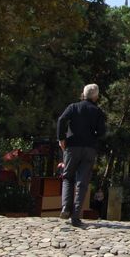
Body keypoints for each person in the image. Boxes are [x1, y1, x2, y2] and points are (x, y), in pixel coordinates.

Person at [57, 83, 106, 227]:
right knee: (82, 182)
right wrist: (94, 137)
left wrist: (61, 138)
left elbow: (61, 120)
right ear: (96, 97)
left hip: (72, 147)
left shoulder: (73, 107)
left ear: (83, 94)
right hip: (89, 149)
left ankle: (66, 208)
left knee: (68, 177)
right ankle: (76, 216)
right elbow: (102, 132)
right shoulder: (98, 111)